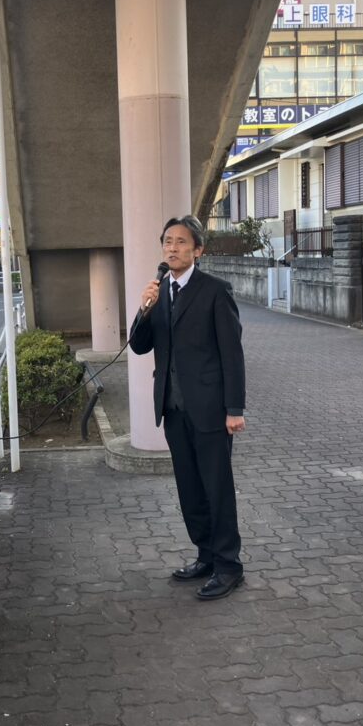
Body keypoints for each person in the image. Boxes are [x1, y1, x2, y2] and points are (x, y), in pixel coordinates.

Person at [130, 215, 247, 600]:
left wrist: (234, 408)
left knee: (217, 488)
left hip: (211, 409)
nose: (173, 248)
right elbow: (139, 346)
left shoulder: (215, 290)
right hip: (173, 408)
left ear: (198, 250)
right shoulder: (160, 290)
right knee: (190, 489)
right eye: (168, 241)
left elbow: (232, 354)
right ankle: (206, 555)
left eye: (181, 242)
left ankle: (229, 566)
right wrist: (144, 308)